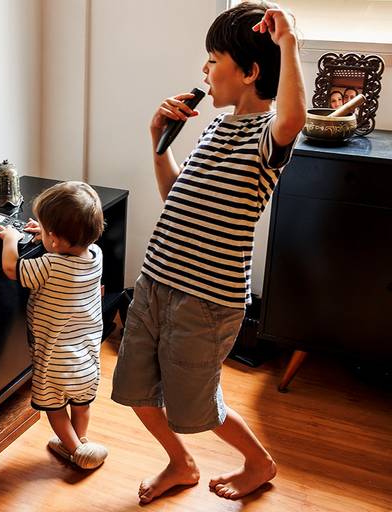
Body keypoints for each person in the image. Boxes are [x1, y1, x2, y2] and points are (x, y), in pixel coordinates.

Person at [112, 2, 305, 504]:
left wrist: (288, 42)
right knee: (134, 387)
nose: (204, 69)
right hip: (156, 282)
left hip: (205, 300)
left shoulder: (267, 138)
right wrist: (158, 142)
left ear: (250, 72)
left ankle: (259, 462)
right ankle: (181, 464)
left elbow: (293, 118)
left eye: (214, 59)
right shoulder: (217, 127)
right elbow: (176, 196)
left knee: (196, 404)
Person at [0, 181, 109, 470]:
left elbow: (11, 268)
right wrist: (45, 236)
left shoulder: (49, 266)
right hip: (86, 356)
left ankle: (75, 450)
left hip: (55, 359)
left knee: (55, 407)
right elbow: (64, 245)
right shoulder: (95, 255)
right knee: (81, 402)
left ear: (55, 241)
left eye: (43, 229)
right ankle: (81, 440)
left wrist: (10, 238)